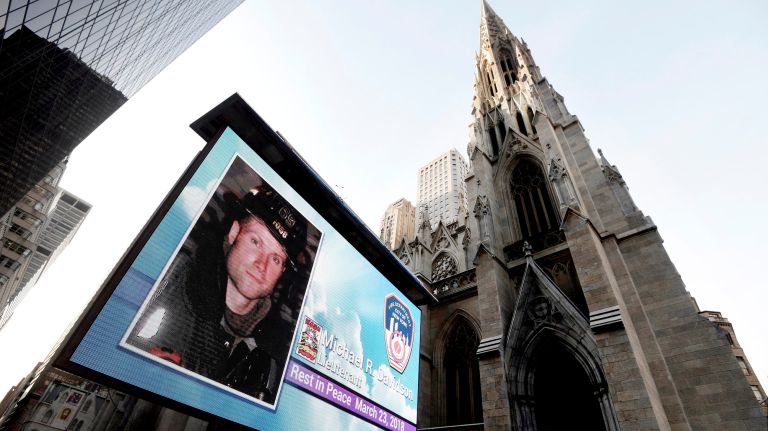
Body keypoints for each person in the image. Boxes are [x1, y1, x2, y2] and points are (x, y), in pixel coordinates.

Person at [125, 182, 309, 405]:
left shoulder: (277, 354)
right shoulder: (172, 281)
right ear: (234, 233)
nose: (262, 264)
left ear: (282, 273)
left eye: (276, 259)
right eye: (256, 242)